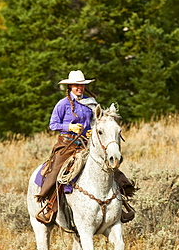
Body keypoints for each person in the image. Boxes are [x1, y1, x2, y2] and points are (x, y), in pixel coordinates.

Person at [35, 70, 136, 224]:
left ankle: (121, 204)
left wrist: (93, 130)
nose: (79, 88)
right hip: (67, 144)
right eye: (76, 85)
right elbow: (52, 124)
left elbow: (98, 122)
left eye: (81, 85)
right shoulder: (62, 104)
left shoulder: (91, 103)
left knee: (108, 166)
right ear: (70, 87)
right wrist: (69, 126)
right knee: (57, 169)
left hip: (88, 143)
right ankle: (49, 206)